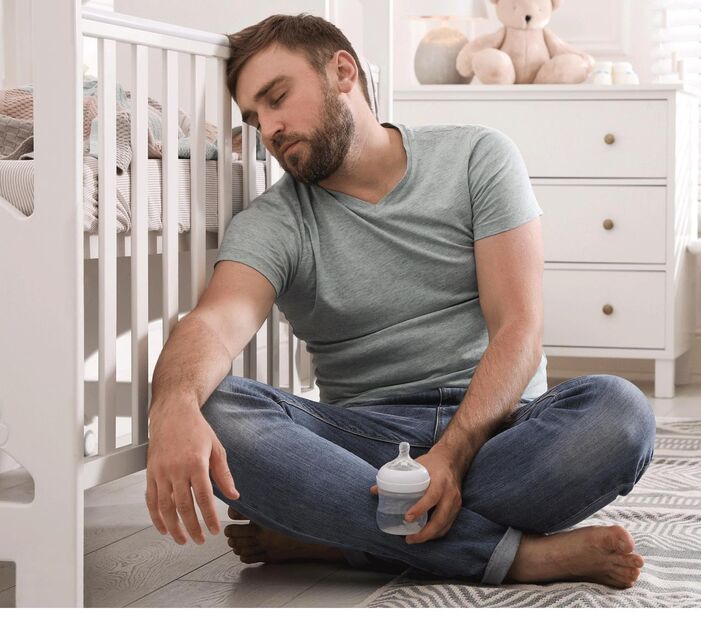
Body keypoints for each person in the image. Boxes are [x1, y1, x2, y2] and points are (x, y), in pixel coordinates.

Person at [144, 13, 656, 589]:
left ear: (343, 72)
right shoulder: (272, 222)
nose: (271, 128)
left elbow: (518, 329)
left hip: (498, 429)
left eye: (278, 97)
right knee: (217, 409)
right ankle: (516, 558)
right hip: (365, 444)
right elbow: (214, 323)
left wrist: (454, 455)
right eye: (255, 118)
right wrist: (173, 405)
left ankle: (346, 539)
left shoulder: (476, 157)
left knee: (619, 413)